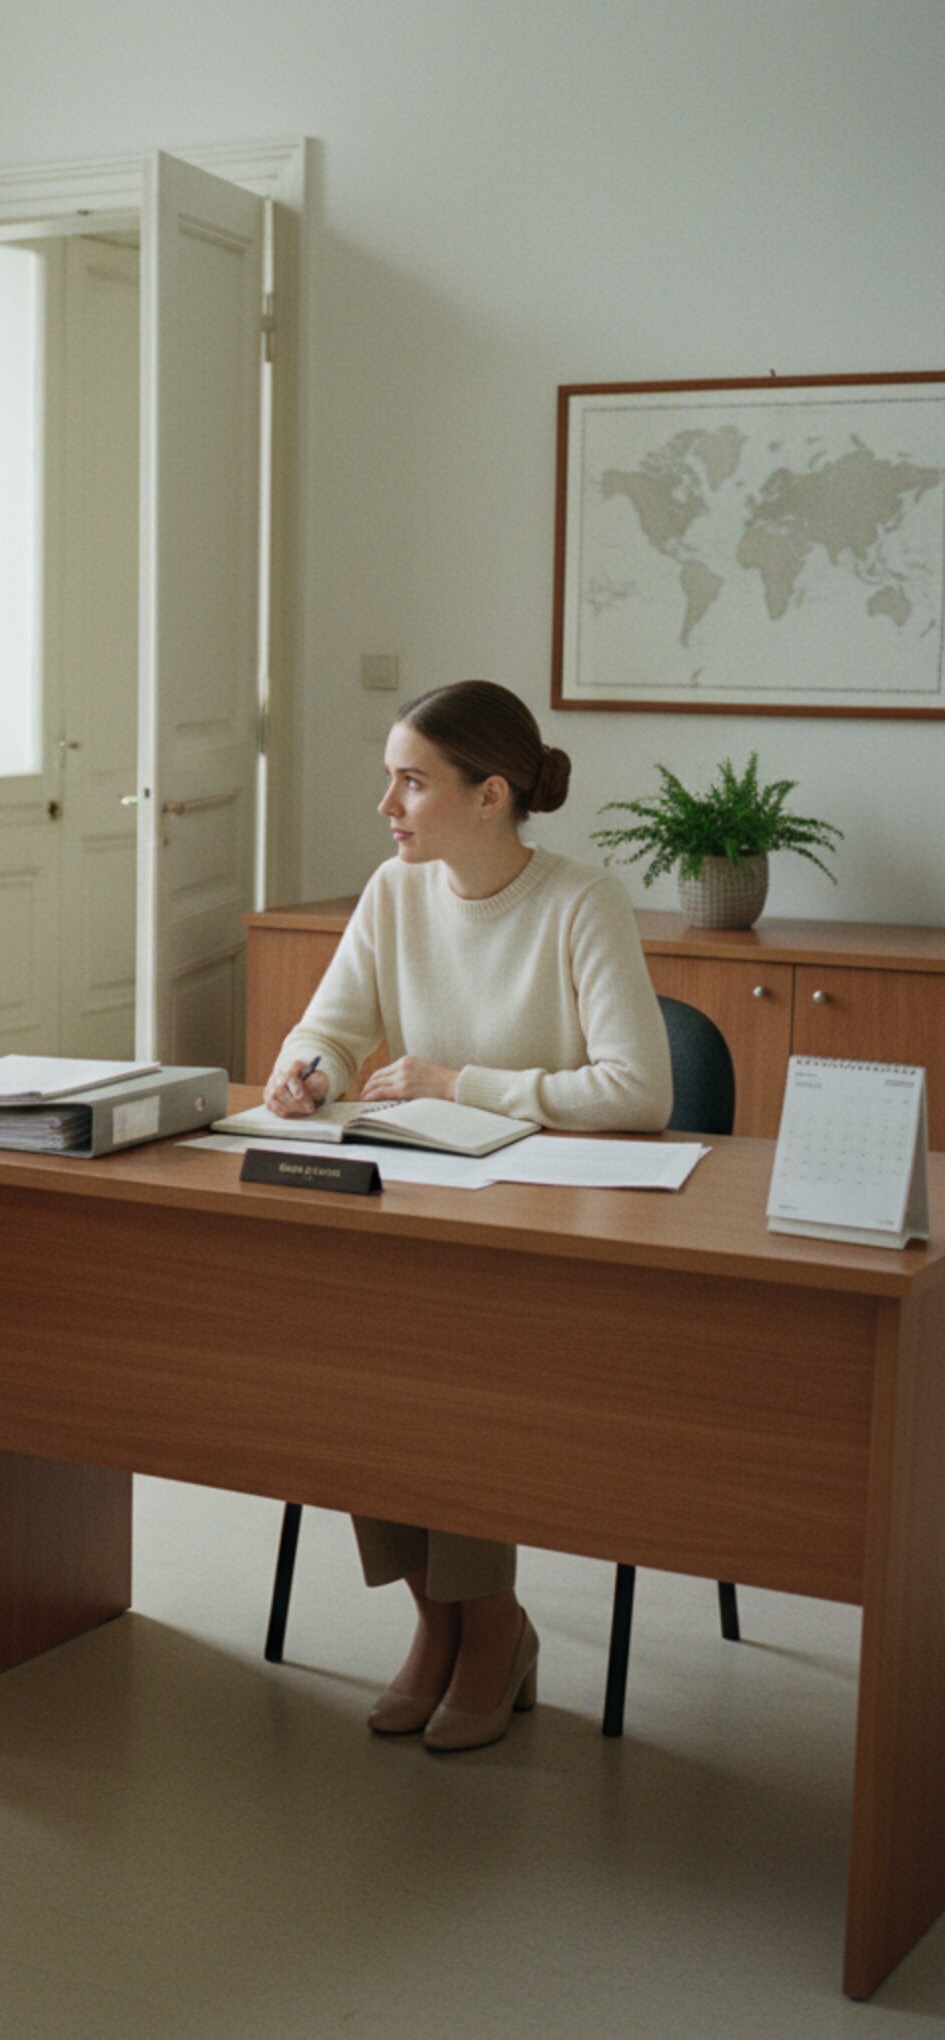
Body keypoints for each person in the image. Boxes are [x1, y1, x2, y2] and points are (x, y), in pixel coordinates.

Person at [263, 680, 670, 1752]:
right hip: (421, 1204)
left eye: (409, 780)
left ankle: (489, 1626)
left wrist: (458, 1081)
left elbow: (638, 1089)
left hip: (551, 1230)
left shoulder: (581, 901)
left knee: (449, 1352)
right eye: (388, 777)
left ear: (490, 794)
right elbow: (329, 1027)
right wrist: (305, 1070)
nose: (385, 803)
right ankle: (436, 1620)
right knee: (352, 1349)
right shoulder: (393, 892)